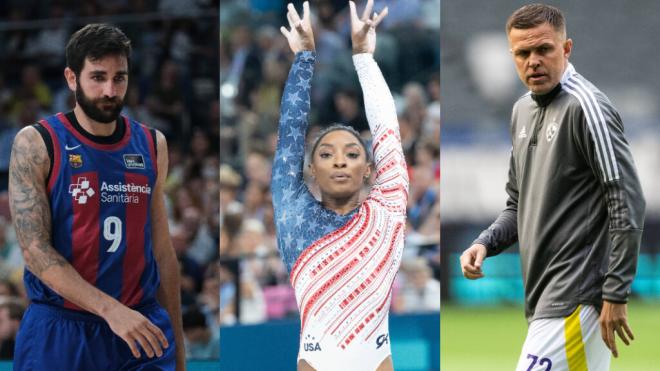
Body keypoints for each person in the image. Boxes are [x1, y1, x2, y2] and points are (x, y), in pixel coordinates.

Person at [459, 4, 645, 371]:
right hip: (543, 297)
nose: (533, 61)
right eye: (522, 53)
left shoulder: (586, 107)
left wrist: (615, 291)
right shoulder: (521, 111)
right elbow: (517, 204)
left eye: (543, 49)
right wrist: (485, 242)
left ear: (566, 49)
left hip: (577, 295)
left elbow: (626, 199)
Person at [8, 24, 185, 370]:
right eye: (98, 77)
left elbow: (162, 251)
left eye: (119, 78)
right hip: (62, 328)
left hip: (141, 326)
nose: (109, 90)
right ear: (72, 78)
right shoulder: (36, 143)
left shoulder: (152, 144)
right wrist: (110, 310)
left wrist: (178, 350)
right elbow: (35, 251)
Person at [273, 2, 407, 370]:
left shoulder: (387, 210)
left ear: (368, 169)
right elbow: (288, 136)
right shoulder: (294, 215)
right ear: (311, 171)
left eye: (351, 153)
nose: (339, 161)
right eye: (327, 154)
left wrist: (364, 57)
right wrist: (303, 58)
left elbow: (387, 132)